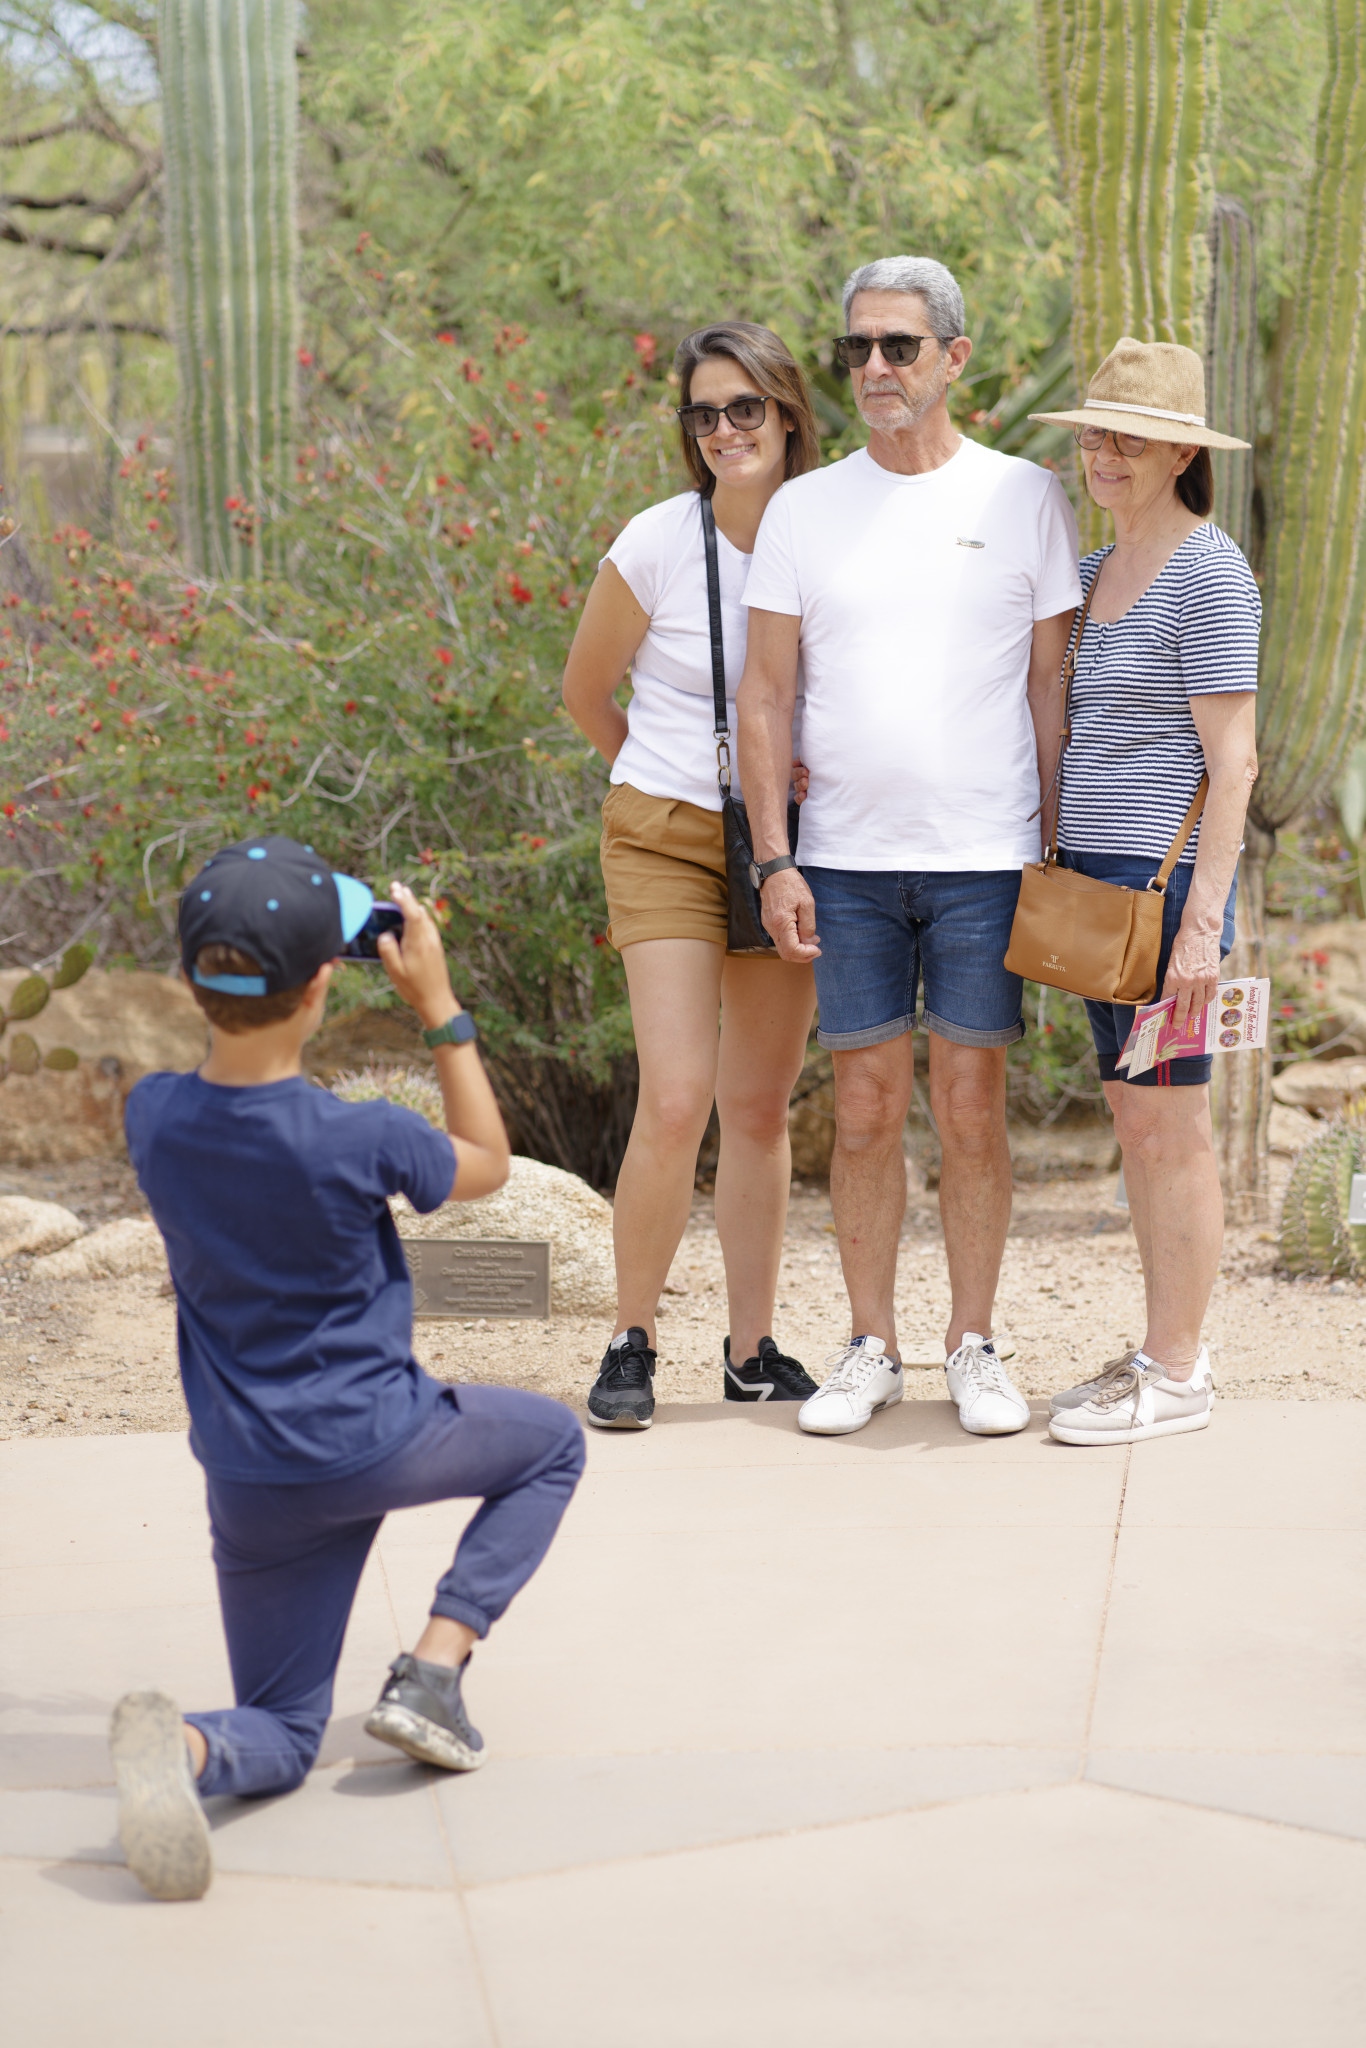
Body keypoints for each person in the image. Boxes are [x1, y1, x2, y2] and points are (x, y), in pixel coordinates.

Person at [109, 837, 584, 1900]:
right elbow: (491, 1165)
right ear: (327, 981)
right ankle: (433, 1668)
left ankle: (186, 1751)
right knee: (549, 1442)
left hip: (249, 1479)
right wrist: (442, 1007)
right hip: (378, 1440)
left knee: (281, 1724)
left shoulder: (152, 1117)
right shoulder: (361, 1137)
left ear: (193, 979)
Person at [737, 254, 1082, 1439]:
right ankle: (871, 1343)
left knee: (972, 1104)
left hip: (989, 859)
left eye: (897, 345)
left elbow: (1051, 689)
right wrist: (773, 859)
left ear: (953, 359)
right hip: (843, 861)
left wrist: (1057, 852)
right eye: (856, 348)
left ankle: (972, 1342)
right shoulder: (802, 507)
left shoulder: (1025, 498)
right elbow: (766, 697)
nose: (874, 368)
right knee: (870, 1107)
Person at [562, 322, 823, 1429]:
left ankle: (752, 1349)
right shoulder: (659, 541)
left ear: (789, 415)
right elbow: (584, 691)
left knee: (757, 1106)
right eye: (703, 414)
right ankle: (633, 1335)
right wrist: (670, 783)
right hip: (667, 830)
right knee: (675, 1097)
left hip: (791, 842)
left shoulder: (835, 532)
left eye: (744, 410)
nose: (724, 431)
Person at [1027, 338, 1260, 1445]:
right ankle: (1164, 1351)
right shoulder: (1089, 575)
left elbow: (1236, 763)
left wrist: (1202, 927)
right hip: (1099, 897)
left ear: (1178, 452)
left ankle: (1177, 1373)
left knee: (1172, 1130)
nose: (1103, 452)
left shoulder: (1210, 573)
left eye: (1127, 436)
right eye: (1093, 434)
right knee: (1135, 1116)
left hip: (1167, 901)